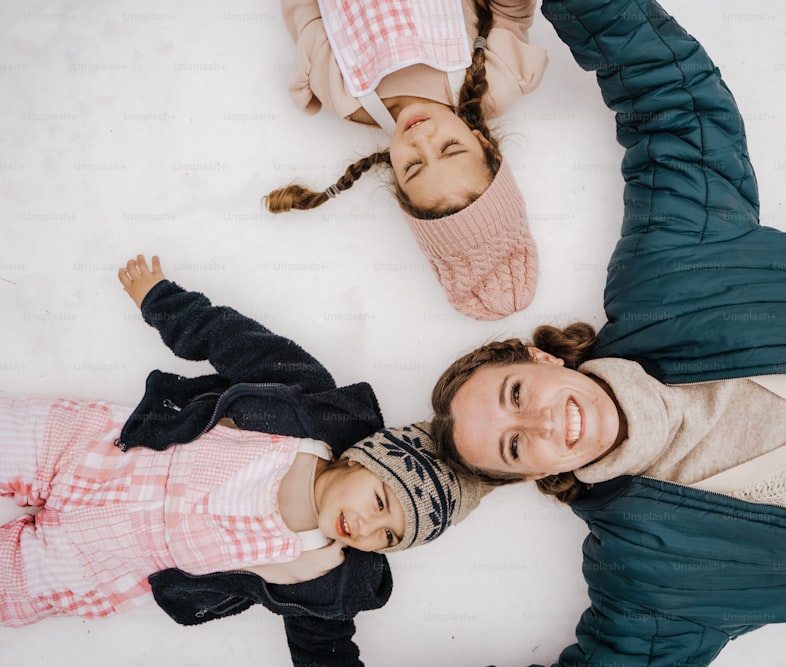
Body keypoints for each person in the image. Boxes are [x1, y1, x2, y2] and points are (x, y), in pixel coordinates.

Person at [429, 0, 786, 664]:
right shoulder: (645, 573)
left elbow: (676, 106)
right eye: (515, 447)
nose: (545, 426)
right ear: (534, 474)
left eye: (518, 396)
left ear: (542, 358)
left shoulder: (669, 270)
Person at [1, 255, 486, 667]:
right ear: (361, 460)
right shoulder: (308, 409)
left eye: (389, 536)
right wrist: (164, 302)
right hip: (113, 450)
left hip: (105, 559)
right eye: (380, 502)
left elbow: (325, 646)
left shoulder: (319, 572)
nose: (367, 527)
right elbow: (238, 344)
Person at [265, 0, 547, 321]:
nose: (420, 140)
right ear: (485, 144)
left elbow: (308, 15)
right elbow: (511, 13)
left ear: (396, 179)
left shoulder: (344, 96)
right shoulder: (498, 78)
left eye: (413, 167)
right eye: (450, 147)